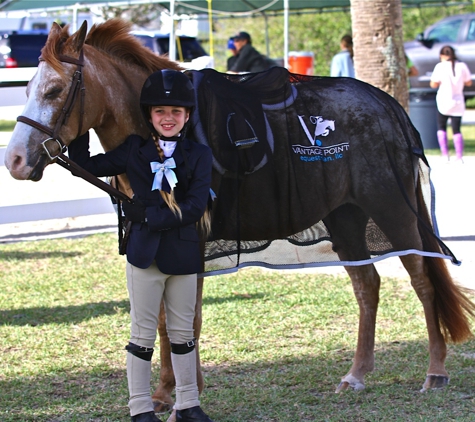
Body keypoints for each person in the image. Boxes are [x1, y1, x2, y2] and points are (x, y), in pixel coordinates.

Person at [68, 70, 214, 422]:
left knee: (182, 333)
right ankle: (139, 409)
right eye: (160, 111)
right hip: (144, 256)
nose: (168, 118)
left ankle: (189, 404)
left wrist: (148, 214)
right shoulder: (134, 149)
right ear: (149, 115)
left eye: (176, 112)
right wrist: (82, 124)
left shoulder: (199, 155)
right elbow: (84, 166)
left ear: (187, 116)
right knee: (142, 334)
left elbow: (195, 206)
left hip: (183, 254)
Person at [430, 45, 472, 162]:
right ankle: (459, 156)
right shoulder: (462, 66)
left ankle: (445, 154)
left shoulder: (440, 67)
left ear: (442, 55)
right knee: (456, 129)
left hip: (443, 101)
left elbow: (433, 84)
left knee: (441, 127)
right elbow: (468, 82)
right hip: (458, 101)